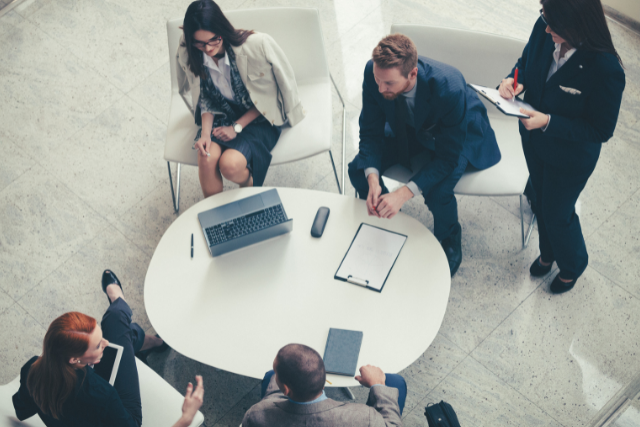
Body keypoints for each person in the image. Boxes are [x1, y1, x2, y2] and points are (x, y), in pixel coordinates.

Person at [498, 0, 625, 294]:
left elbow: (601, 129)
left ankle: (572, 265)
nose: (546, 27)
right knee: (540, 202)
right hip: (533, 142)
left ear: (578, 22)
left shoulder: (606, 68)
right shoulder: (544, 30)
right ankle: (547, 252)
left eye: (554, 22)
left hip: (570, 157)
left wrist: (548, 122)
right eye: (545, 16)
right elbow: (525, 62)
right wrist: (512, 81)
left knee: (558, 213)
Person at [348, 34, 501, 277]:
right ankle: (385, 216)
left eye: (387, 84)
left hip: (457, 136)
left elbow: (448, 158)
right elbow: (369, 131)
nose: (380, 88)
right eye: (377, 80)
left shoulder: (449, 86)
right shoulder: (375, 72)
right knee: (359, 169)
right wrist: (373, 179)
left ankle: (450, 236)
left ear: (412, 74)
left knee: (438, 191)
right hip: (408, 128)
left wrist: (403, 193)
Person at [12, 270, 205, 427]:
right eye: (97, 345)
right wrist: (186, 418)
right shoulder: (103, 395)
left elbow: (22, 409)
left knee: (123, 333)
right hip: (126, 418)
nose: (105, 343)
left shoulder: (32, 370)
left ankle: (141, 333)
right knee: (118, 323)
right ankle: (131, 318)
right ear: (74, 360)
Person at [177, 0, 305, 197]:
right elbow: (206, 98)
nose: (208, 48)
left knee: (230, 165)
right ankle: (218, 220)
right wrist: (204, 134)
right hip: (222, 116)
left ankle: (249, 186)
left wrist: (236, 127)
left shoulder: (256, 46)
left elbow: (269, 96)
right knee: (206, 157)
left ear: (221, 29)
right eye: (200, 43)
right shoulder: (193, 51)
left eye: (213, 40)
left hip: (260, 119)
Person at [242, 343, 405, 427]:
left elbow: (269, 404)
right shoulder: (364, 418)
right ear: (323, 379)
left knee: (269, 376)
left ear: (285, 389)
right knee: (395, 382)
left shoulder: (258, 414)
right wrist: (378, 385)